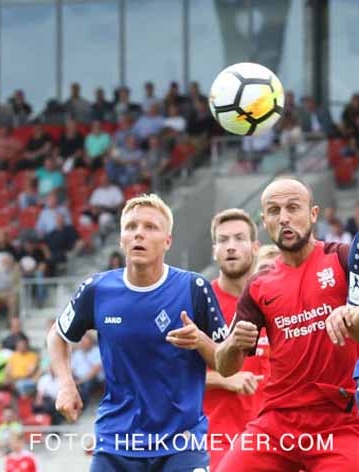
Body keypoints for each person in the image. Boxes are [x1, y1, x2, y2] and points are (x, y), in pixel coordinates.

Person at [47, 194, 226, 471]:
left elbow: (227, 363)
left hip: (182, 444)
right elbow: (57, 336)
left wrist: (201, 341)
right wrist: (66, 385)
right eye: (131, 227)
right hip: (116, 443)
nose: (138, 233)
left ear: (167, 241)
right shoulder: (97, 290)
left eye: (150, 227)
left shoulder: (195, 288)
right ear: (121, 239)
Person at [217, 178, 359, 471]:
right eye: (274, 210)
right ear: (264, 221)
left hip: (339, 421)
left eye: (293, 207)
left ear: (313, 214)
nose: (283, 218)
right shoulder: (259, 285)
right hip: (277, 423)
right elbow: (225, 366)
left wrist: (352, 313)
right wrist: (233, 343)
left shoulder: (343, 259)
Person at [202, 208, 270, 469]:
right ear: (214, 251)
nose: (231, 246)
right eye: (223, 240)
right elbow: (168, 377)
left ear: (255, 247)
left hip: (275, 443)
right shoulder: (198, 303)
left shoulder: (275, 299)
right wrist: (224, 378)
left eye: (239, 238)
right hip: (217, 443)